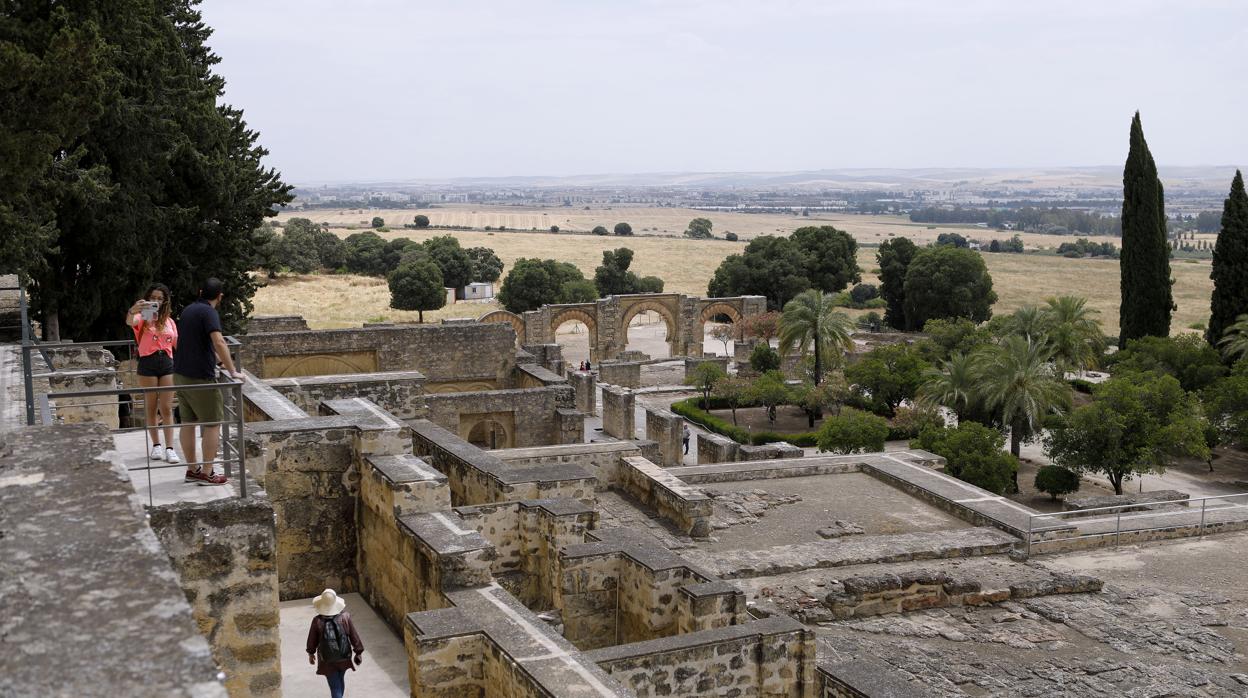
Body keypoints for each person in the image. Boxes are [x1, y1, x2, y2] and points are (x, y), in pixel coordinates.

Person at [173, 278, 242, 486]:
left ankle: (193, 469)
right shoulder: (209, 312)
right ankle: (208, 473)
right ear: (219, 296)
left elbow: (196, 341)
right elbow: (218, 341)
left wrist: (217, 359)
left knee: (187, 423)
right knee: (213, 424)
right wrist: (233, 371)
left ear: (200, 291)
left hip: (180, 374)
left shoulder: (188, 310)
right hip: (200, 377)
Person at [126, 284, 179, 464]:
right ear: (148, 298)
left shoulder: (170, 321)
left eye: (159, 298)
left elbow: (177, 344)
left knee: (166, 407)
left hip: (166, 362)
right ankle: (156, 445)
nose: (156, 301)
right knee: (150, 405)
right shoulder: (143, 318)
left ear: (165, 301)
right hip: (148, 362)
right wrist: (133, 310)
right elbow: (130, 322)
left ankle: (170, 448)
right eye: (153, 298)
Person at [306, 589, 364, 698]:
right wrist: (358, 652)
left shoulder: (317, 621)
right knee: (340, 680)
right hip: (344, 657)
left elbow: (312, 640)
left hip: (327, 660)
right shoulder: (345, 617)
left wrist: (311, 654)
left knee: (335, 686)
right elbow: (354, 636)